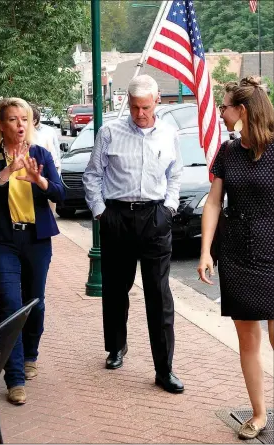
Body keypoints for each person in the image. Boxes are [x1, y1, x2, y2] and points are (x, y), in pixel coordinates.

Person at [82, 74, 184, 393]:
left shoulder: (168, 134)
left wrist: (168, 209)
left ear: (156, 102)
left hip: (154, 217)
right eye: (135, 107)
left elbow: (175, 175)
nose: (140, 114)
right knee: (115, 289)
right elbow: (92, 175)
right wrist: (100, 212)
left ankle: (164, 369)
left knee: (159, 294)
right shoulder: (109, 132)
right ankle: (116, 347)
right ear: (128, 102)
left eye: (146, 107)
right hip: (117, 217)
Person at [0, 97, 65, 405]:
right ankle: (14, 378)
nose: (20, 124)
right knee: (10, 304)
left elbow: (60, 193)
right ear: (2, 125)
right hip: (3, 242)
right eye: (12, 119)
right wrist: (7, 171)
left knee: (34, 304)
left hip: (37, 240)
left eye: (23, 119)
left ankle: (30, 353)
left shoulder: (41, 154)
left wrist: (39, 180)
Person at [197, 76, 274, 440]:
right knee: (248, 340)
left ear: (242, 110)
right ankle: (258, 415)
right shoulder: (227, 153)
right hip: (238, 254)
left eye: (225, 106)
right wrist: (205, 252)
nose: (221, 112)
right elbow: (213, 203)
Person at [31, 104, 61, 174]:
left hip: (47, 171)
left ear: (34, 121)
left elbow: (56, 154)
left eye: (25, 119)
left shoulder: (48, 132)